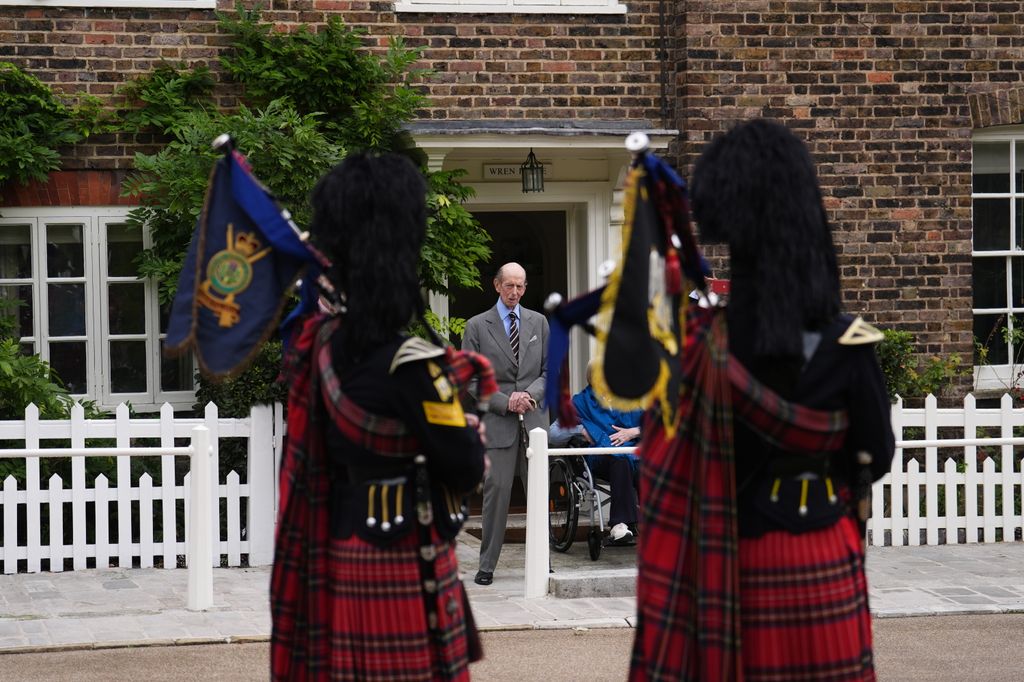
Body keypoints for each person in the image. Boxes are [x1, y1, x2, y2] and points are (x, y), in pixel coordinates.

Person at [624, 120, 895, 680]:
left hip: (730, 562)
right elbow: (875, 454)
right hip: (823, 551)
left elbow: (663, 461)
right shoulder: (849, 344)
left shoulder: (695, 345)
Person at [270, 152, 490, 681]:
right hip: (401, 564)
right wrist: (470, 431)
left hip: (339, 557)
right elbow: (464, 469)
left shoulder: (316, 346)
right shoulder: (413, 367)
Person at [461, 262, 549, 586]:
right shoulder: (476, 326)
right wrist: (505, 400)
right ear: (497, 285)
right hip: (498, 421)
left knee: (538, 493)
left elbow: (549, 372)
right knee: (496, 493)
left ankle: (544, 562)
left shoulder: (539, 322)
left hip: (535, 421)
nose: (515, 292)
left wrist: (528, 395)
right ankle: (487, 566)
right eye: (509, 285)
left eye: (521, 286)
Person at [548, 361, 642, 545]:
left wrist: (633, 432)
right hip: (600, 459)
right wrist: (581, 430)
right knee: (620, 461)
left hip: (632, 454)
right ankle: (619, 525)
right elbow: (554, 433)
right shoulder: (580, 402)